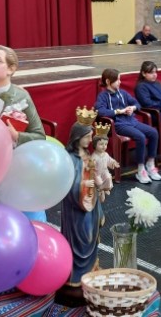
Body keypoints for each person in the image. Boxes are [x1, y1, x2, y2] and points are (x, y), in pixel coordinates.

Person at [57, 120, 101, 307]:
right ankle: (74, 276)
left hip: (91, 204)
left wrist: (98, 185)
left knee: (91, 236)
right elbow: (67, 183)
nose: (90, 140)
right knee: (80, 238)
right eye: (87, 137)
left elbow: (91, 174)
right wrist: (83, 185)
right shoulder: (70, 158)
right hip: (76, 209)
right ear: (77, 137)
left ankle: (90, 270)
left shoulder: (87, 155)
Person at [94, 68, 161, 184]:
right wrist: (118, 111)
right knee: (140, 137)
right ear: (109, 81)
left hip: (131, 121)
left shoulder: (123, 93)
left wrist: (132, 108)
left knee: (153, 133)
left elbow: (136, 103)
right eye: (118, 80)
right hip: (118, 125)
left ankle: (150, 163)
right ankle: (141, 169)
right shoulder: (103, 96)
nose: (120, 82)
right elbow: (100, 111)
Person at [90, 134, 118, 202]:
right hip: (97, 173)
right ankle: (101, 191)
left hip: (104, 171)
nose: (104, 146)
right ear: (95, 144)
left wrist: (113, 162)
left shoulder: (105, 154)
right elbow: (91, 167)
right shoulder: (94, 157)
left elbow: (109, 160)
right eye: (101, 144)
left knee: (108, 178)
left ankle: (105, 189)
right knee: (99, 183)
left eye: (105, 144)